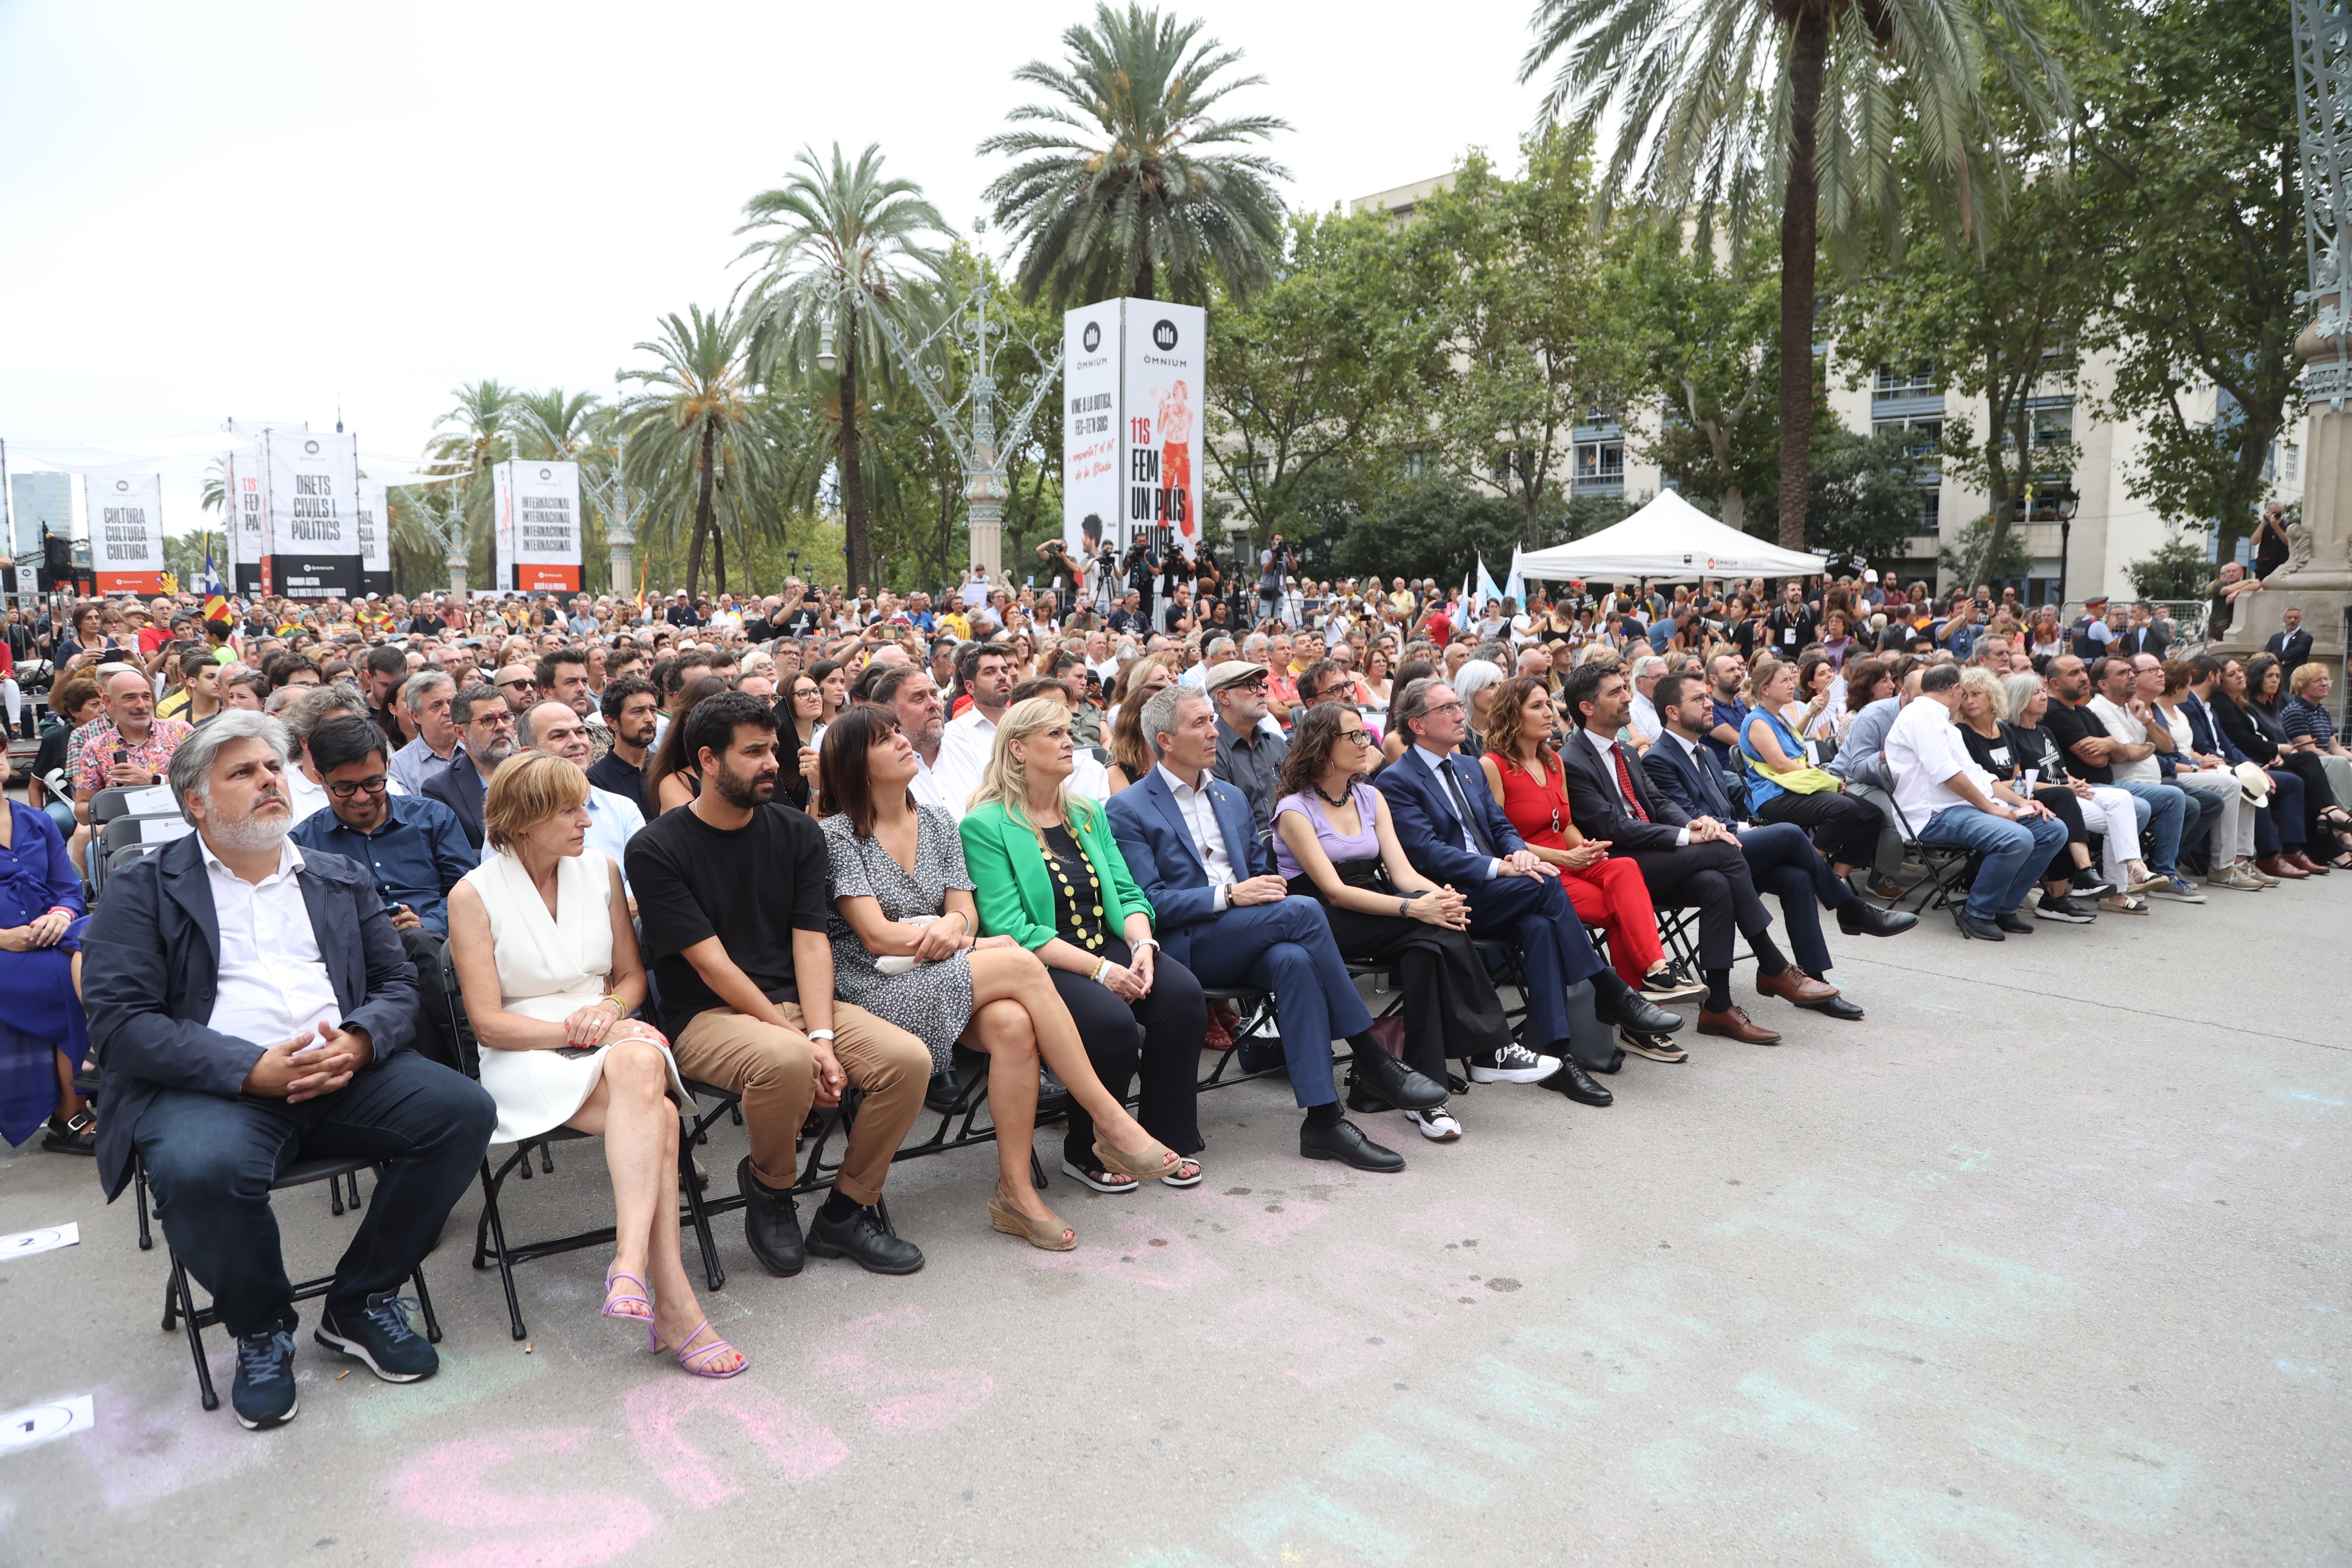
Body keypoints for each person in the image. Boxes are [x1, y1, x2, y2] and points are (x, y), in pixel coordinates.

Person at [80, 710, 496, 1429]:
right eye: (243, 772)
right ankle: (262, 1328)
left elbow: (398, 986)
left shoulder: (334, 876)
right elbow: (122, 1025)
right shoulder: (143, 890)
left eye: (272, 767)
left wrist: (361, 1042)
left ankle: (360, 1299)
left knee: (462, 1112)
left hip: (343, 1069)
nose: (268, 780)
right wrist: (249, 1068)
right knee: (201, 1168)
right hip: (212, 1087)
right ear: (196, 801)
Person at [822, 704, 1186, 1239]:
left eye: (899, 732)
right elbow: (875, 934)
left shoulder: (939, 821)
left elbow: (964, 908)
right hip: (876, 986)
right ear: (856, 762)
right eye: (885, 739)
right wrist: (962, 935)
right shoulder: (837, 834)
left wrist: (960, 929)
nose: (903, 741)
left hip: (944, 971)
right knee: (1017, 959)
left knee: (1015, 1024)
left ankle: (1016, 1193)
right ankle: (1110, 1120)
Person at [445, 754, 741, 1377]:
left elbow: (633, 978)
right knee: (658, 1112)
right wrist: (572, 1031)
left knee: (638, 1060)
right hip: (524, 1052)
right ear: (524, 819)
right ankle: (668, 1297)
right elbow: (488, 1023)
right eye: (571, 809)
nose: (588, 819)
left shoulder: (601, 870)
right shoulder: (472, 895)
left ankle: (632, 1265)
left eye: (586, 805)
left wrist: (607, 1010)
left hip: (607, 1035)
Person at [626, 692, 930, 1280]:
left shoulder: (796, 831)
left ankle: (848, 1208)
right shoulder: (657, 847)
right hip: (707, 1017)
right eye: (755, 752)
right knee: (788, 1061)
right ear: (708, 760)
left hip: (804, 1006)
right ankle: (771, 1188)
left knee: (907, 1060)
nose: (773, 762)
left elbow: (811, 941)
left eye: (774, 749)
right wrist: (804, 1044)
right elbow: (711, 966)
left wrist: (819, 1032)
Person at [1110, 687, 1447, 1170]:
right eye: (1199, 723)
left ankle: (1324, 1122)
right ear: (1165, 740)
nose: (1213, 731)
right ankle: (1372, 1057)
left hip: (1248, 931)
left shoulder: (1227, 796)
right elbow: (1147, 903)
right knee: (1306, 911)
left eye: (1212, 719)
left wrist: (1252, 893)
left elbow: (1257, 875)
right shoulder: (1129, 807)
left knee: (1295, 960)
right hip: (1188, 943)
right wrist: (1229, 896)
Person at [1378, 678, 1681, 1091]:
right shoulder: (1397, 781)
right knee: (1545, 884)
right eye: (1447, 709)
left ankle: (1557, 1058)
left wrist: (1517, 853)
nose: (1460, 715)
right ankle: (1608, 989)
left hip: (1499, 888)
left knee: (1540, 926)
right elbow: (1428, 853)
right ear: (1418, 725)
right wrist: (1499, 867)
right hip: (1450, 896)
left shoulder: (1468, 766)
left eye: (1457, 706)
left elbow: (1500, 825)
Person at [959, 697, 1204, 1193]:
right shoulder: (985, 825)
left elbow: (1130, 892)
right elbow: (1014, 928)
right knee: (1111, 1024)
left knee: (1181, 996)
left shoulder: (1087, 811)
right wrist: (1101, 971)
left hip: (1108, 944)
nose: (1070, 741)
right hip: (1044, 963)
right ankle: (1085, 1147)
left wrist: (1141, 946)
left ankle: (1160, 1135)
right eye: (1054, 734)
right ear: (1018, 750)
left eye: (1069, 731)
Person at [1556, 663, 1843, 1044]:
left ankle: (1718, 1008)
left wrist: (1695, 825)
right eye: (1616, 692)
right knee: (1725, 853)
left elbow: (1657, 802)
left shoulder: (1624, 750)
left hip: (1658, 857)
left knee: (1715, 884)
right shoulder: (1572, 759)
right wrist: (1687, 837)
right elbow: (1614, 828)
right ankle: (1772, 963)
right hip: (1623, 864)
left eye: (1626, 689)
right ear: (1587, 707)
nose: (1628, 698)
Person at [1277, 704, 1524, 1141]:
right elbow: (1334, 892)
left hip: (1372, 902)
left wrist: (1440, 896)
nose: (1366, 741)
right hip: (1318, 917)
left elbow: (1403, 874)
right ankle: (1491, 1049)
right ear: (1323, 747)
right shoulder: (1295, 810)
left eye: (1366, 733)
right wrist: (1414, 909)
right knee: (1429, 927)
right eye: (1353, 735)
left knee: (1430, 943)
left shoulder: (1370, 796)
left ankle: (1427, 1099)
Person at [1644, 671, 1915, 1018]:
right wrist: (1745, 829)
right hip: (1698, 856)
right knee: (1790, 833)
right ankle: (1850, 909)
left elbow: (1725, 811)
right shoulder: (1658, 758)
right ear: (1672, 712)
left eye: (1708, 696)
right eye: (1699, 699)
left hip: (1729, 846)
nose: (1710, 703)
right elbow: (1689, 818)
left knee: (1796, 878)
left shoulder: (1706, 755)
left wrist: (1745, 827)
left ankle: (1816, 982)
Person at [1476, 675, 1703, 1036]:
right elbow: (1500, 839)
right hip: (1535, 870)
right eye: (1537, 706)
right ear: (1512, 716)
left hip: (1569, 860)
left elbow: (1563, 825)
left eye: (1548, 704)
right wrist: (1565, 860)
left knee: (1624, 867)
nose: (1549, 713)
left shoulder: (1553, 761)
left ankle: (1657, 971)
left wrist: (1584, 848)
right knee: (1617, 913)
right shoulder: (1494, 765)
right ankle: (1639, 1020)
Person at [1881, 663, 2070, 941]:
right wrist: (1992, 808)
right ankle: (1978, 912)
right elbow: (1945, 773)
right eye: (1964, 692)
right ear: (1955, 689)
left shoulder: (1944, 723)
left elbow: (1981, 777)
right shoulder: (1921, 715)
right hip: (1932, 814)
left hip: (1959, 809)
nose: (1966, 699)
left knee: (2053, 829)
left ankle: (2002, 908)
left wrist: (2022, 802)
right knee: (2016, 838)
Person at [1972, 672, 2133, 919]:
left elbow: (2059, 771)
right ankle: (2078, 880)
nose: (2044, 697)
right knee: (2061, 820)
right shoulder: (2008, 731)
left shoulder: (2044, 731)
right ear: (2020, 698)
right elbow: (2020, 781)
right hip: (2027, 797)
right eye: (2036, 692)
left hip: (2051, 794)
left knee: (2122, 802)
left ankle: (2120, 877)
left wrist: (2072, 783)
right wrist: (2065, 789)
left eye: (2043, 691)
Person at [0, 746, 92, 1152]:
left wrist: (61, 916)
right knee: (65, 983)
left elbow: (68, 891)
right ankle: (69, 1116)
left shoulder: (36, 821)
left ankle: (90, 1088)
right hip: (6, 948)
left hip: (48, 936)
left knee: (101, 951)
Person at [1736, 658, 1883, 884]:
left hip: (1796, 786)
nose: (1791, 685)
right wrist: (1828, 781)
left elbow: (1796, 757)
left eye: (1790, 679)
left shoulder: (1779, 717)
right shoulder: (1756, 721)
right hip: (1774, 794)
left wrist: (1824, 778)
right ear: (1765, 689)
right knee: (1843, 808)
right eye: (1784, 681)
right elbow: (1781, 765)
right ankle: (1809, 873)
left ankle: (1837, 876)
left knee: (1871, 815)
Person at [2150, 661, 2268, 888]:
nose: (2190, 690)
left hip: (2190, 765)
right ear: (2177, 688)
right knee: (2230, 785)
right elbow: (2170, 754)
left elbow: (2187, 746)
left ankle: (2241, 858)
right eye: (2187, 685)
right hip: (2177, 771)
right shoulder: (2157, 711)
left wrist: (2201, 759)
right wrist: (2197, 766)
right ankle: (2222, 866)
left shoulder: (2179, 711)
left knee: (2246, 781)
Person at [420, 683, 516, 850]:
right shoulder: (440, 790)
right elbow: (453, 855)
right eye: (488, 720)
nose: (501, 726)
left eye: (506, 717)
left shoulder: (536, 772)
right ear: (461, 733)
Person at [1207, 660, 1289, 835]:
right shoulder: (1209, 749)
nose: (1262, 692)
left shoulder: (1276, 743)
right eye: (1251, 685)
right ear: (1224, 697)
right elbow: (1226, 816)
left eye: (1262, 685)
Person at [588, 673, 659, 819]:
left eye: (653, 710)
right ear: (612, 722)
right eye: (638, 712)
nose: (650, 719)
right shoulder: (596, 782)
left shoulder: (666, 768)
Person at [386, 671, 461, 794]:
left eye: (451, 702)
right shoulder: (399, 766)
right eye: (437, 706)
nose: (448, 711)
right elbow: (409, 812)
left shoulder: (478, 748)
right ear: (416, 716)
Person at [775, 670, 828, 813]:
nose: (814, 698)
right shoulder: (776, 743)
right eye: (804, 694)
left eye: (816, 692)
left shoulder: (832, 734)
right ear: (787, 700)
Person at [2266, 606, 2315, 672]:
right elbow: (2266, 656)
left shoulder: (2305, 638)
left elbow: (2291, 655)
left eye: (2296, 618)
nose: (2293, 620)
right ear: (2284, 619)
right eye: (2290, 618)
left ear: (2300, 619)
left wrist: (2273, 654)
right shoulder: (2275, 638)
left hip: (2294, 675)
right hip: (2275, 674)